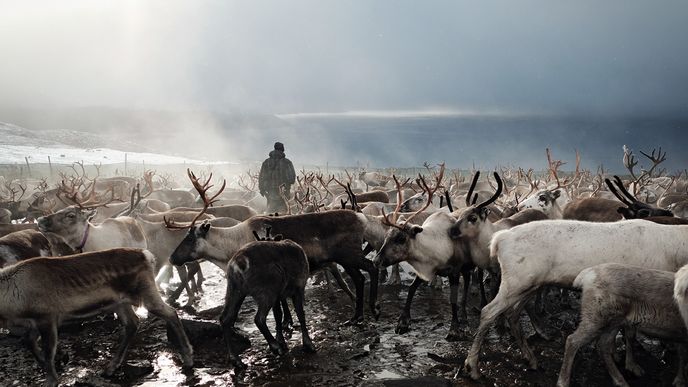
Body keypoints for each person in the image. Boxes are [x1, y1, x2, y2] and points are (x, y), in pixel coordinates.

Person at [259, 141, 296, 214]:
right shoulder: (287, 162)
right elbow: (292, 179)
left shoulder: (266, 162)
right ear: (282, 150)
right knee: (283, 213)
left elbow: (261, 177)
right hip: (283, 193)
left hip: (270, 192)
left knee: (270, 213)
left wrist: (262, 189)